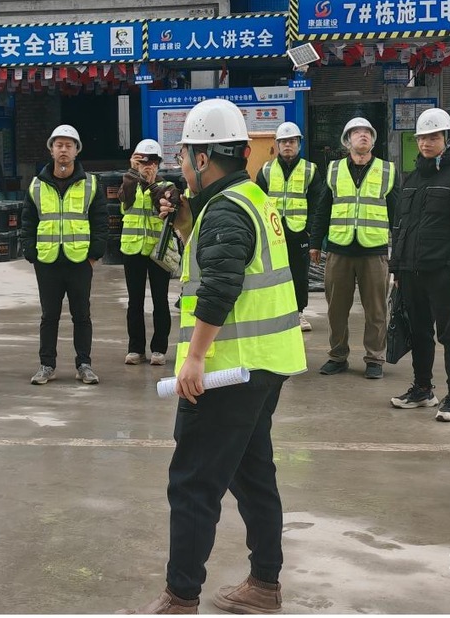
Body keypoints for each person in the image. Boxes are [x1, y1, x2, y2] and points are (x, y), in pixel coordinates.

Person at [122, 99, 307, 615]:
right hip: (265, 363)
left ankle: (180, 596)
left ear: (203, 158)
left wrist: (195, 359)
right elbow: (229, 266)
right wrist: (186, 225)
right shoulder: (251, 199)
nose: (180, 167)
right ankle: (265, 583)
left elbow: (221, 287)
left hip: (229, 371)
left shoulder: (225, 210)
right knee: (253, 474)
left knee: (193, 483)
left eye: (184, 157)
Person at [388, 108, 450, 421]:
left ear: (447, 138)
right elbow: (400, 226)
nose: (426, 143)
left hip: (442, 272)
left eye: (433, 137)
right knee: (419, 332)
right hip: (411, 271)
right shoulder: (411, 178)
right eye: (422, 137)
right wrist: (397, 267)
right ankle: (423, 389)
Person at [311, 117, 399, 380]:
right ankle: (338, 356)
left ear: (373, 140)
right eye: (357, 132)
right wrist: (315, 243)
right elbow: (322, 209)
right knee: (336, 309)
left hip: (374, 251)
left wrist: (399, 253)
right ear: (347, 141)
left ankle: (374, 358)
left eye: (367, 132)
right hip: (339, 250)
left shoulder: (387, 171)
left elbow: (398, 215)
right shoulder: (334, 170)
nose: (363, 135)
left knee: (377, 310)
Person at [20, 124, 107, 385]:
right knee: (49, 316)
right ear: (51, 150)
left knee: (82, 315)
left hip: (79, 261)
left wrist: (94, 255)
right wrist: (31, 252)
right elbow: (28, 221)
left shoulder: (91, 184)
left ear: (76, 151)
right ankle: (47, 365)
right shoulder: (36, 185)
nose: (63, 150)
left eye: (69, 145)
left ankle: (84, 365)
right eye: (58, 145)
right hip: (47, 261)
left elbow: (100, 220)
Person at [255, 121, 323, 333]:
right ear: (277, 144)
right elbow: (258, 203)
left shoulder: (310, 171)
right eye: (283, 141)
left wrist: (310, 232)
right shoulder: (266, 171)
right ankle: (275, 312)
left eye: (292, 141)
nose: (287, 145)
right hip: (273, 233)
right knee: (272, 274)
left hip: (299, 233)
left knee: (299, 276)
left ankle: (298, 313)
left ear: (299, 144)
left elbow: (317, 204)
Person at [119, 138, 175, 367]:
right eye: (143, 161)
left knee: (160, 300)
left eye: (152, 161)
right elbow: (125, 199)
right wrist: (133, 173)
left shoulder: (168, 187)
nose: (148, 166)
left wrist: (151, 184)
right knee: (135, 301)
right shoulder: (129, 182)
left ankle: (159, 349)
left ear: (159, 164)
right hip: (133, 249)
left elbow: (161, 201)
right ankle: (135, 349)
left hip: (158, 251)